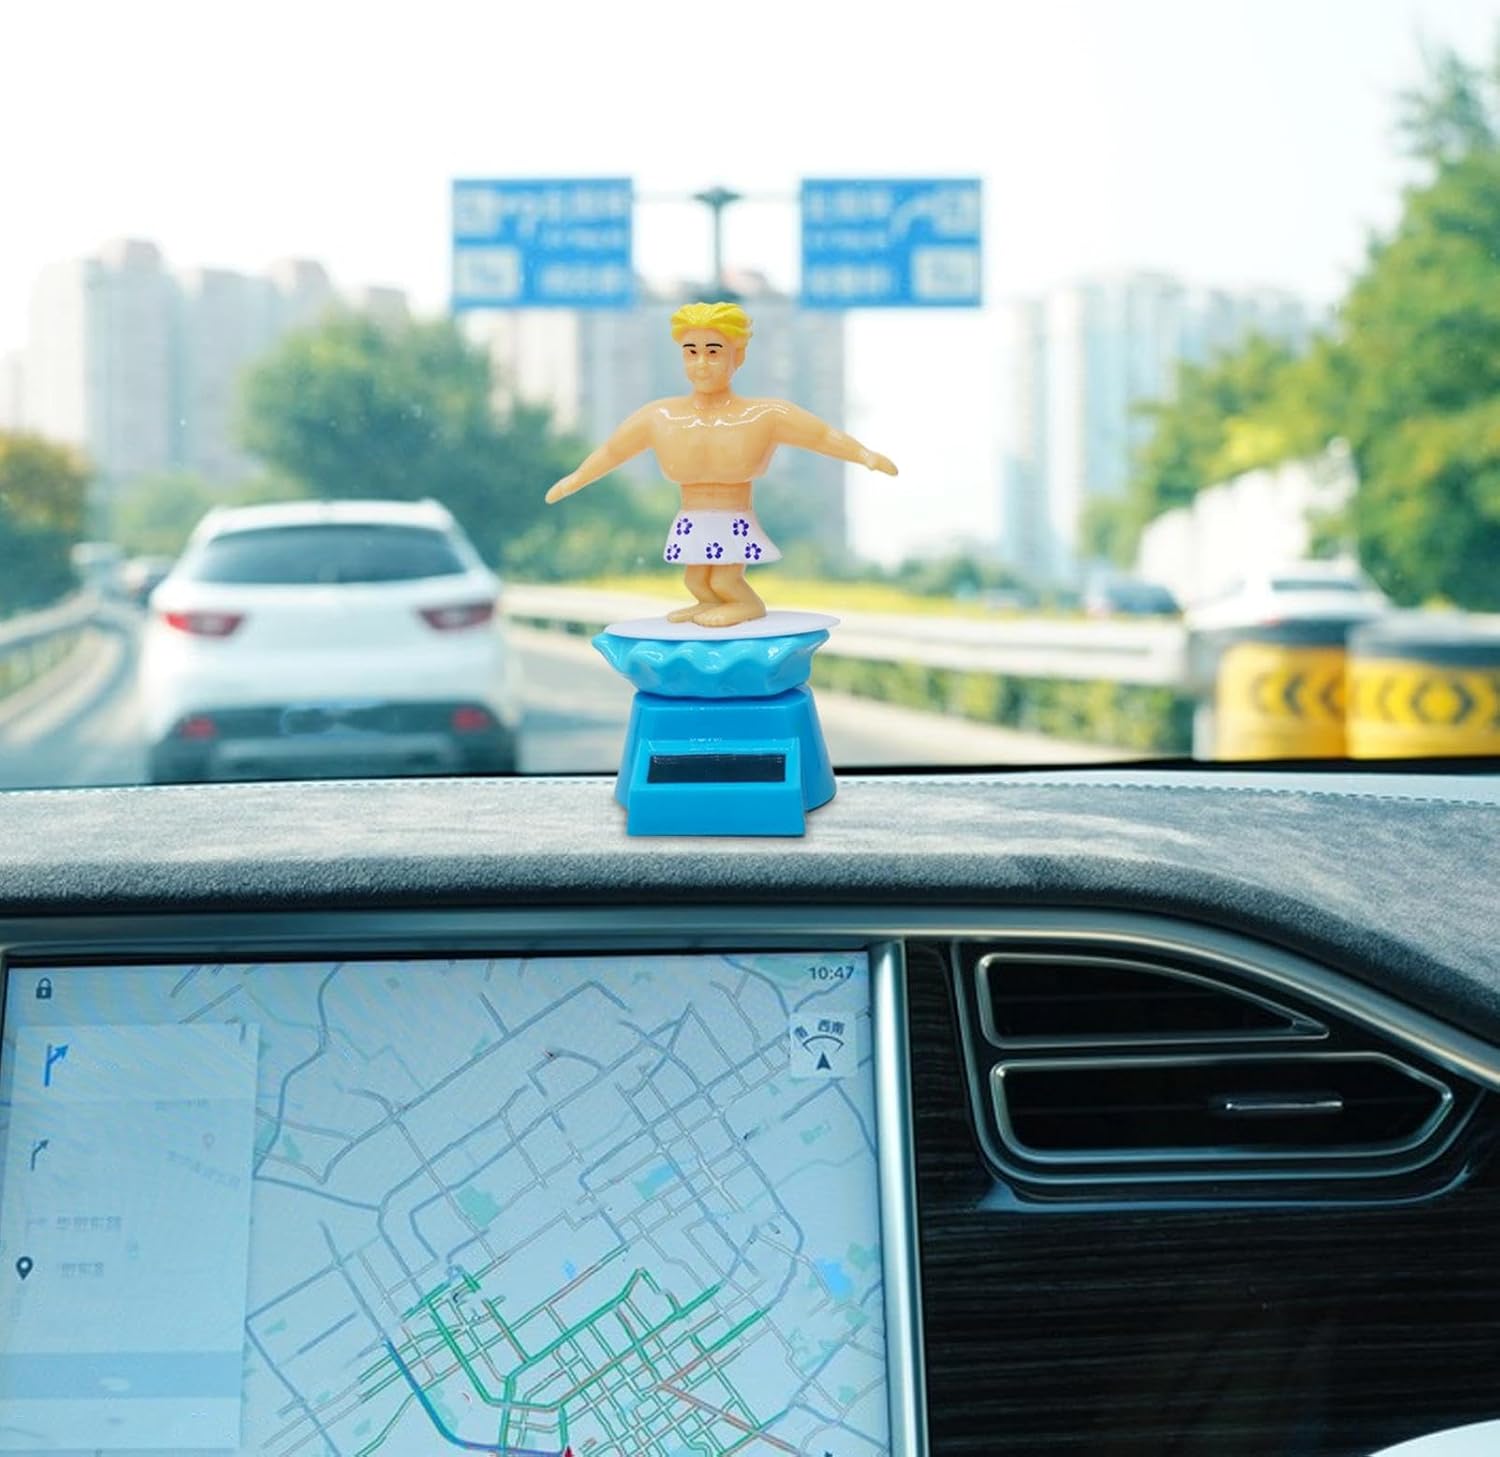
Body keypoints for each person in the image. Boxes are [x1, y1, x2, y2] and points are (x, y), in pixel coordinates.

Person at [544, 300, 897, 628]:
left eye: (713, 352)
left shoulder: (765, 415)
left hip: (733, 517)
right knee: (695, 579)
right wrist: (575, 479)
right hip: (691, 517)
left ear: (737, 356)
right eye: (691, 352)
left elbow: (821, 436)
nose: (701, 363)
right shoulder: (659, 416)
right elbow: (612, 452)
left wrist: (864, 455)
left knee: (726, 579)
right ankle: (707, 603)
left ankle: (746, 604)